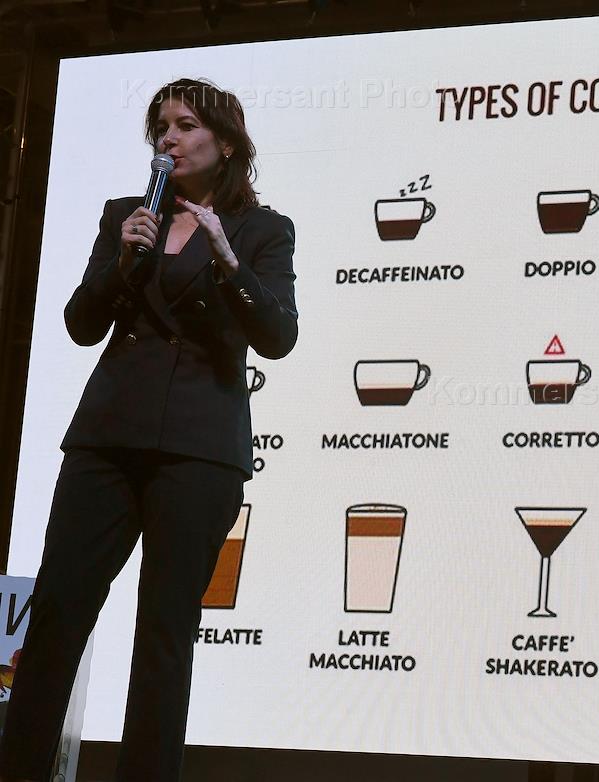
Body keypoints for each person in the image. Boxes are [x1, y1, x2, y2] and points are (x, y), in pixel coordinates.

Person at [0, 78, 298, 782]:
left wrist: (227, 259)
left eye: (185, 124)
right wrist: (123, 263)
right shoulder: (125, 216)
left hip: (199, 450)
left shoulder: (262, 230)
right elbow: (81, 324)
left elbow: (278, 335)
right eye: (161, 126)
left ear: (226, 143)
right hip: (107, 438)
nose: (168, 137)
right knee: (57, 615)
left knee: (165, 635)